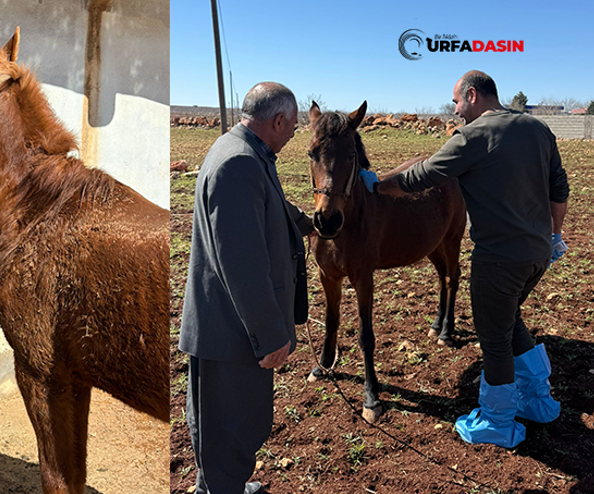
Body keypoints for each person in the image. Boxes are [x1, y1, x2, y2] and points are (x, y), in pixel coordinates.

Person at [360, 71, 569, 448]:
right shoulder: (537, 129)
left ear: (472, 95)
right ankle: (538, 400)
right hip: (539, 254)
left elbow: (422, 176)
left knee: (493, 339)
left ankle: (498, 421)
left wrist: (377, 184)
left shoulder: (474, 136)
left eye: (456, 102)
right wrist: (554, 236)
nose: (455, 111)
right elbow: (559, 187)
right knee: (509, 320)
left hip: (499, 259)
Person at [179, 82, 310, 494]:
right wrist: (270, 334)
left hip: (227, 326)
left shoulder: (245, 151)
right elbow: (243, 265)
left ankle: (220, 486)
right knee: (229, 426)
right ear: (277, 121)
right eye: (293, 125)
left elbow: (267, 206)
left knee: (223, 423)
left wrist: (312, 224)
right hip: (231, 330)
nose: (294, 133)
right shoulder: (240, 163)